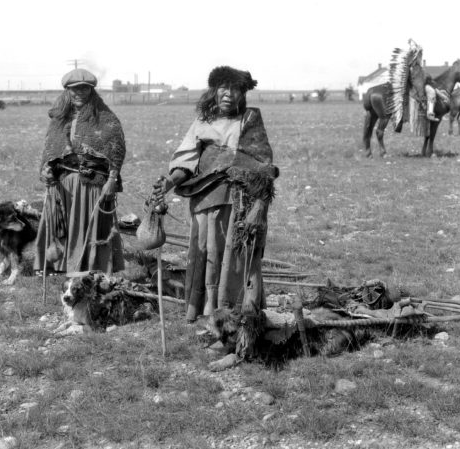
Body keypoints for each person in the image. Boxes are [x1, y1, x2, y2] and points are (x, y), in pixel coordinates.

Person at [153, 66, 278, 322]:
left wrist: (259, 207)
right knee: (204, 252)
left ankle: (232, 312)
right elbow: (187, 160)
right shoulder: (203, 122)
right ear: (214, 91)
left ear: (243, 94)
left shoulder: (249, 120)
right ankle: (204, 309)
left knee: (232, 255)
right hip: (204, 198)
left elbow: (262, 166)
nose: (228, 94)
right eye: (223, 88)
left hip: (238, 201)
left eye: (235, 89)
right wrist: (167, 183)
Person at [34, 68, 125, 274]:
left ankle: (88, 265)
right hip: (64, 182)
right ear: (67, 90)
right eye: (74, 89)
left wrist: (112, 179)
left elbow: (116, 152)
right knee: (61, 224)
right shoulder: (59, 118)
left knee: (87, 226)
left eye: (85, 88)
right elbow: (50, 148)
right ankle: (60, 265)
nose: (79, 93)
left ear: (92, 91)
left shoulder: (106, 119)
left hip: (91, 183)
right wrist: (47, 169)